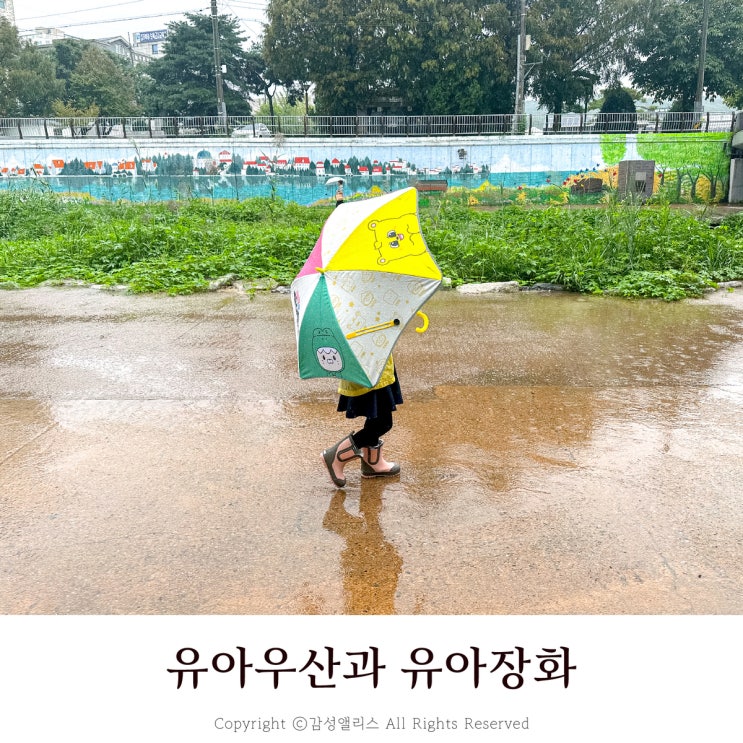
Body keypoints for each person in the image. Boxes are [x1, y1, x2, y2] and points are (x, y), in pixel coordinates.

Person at [321, 354, 402, 487]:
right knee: (383, 423)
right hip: (369, 368)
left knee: (376, 418)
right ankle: (335, 456)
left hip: (375, 365)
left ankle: (373, 463)